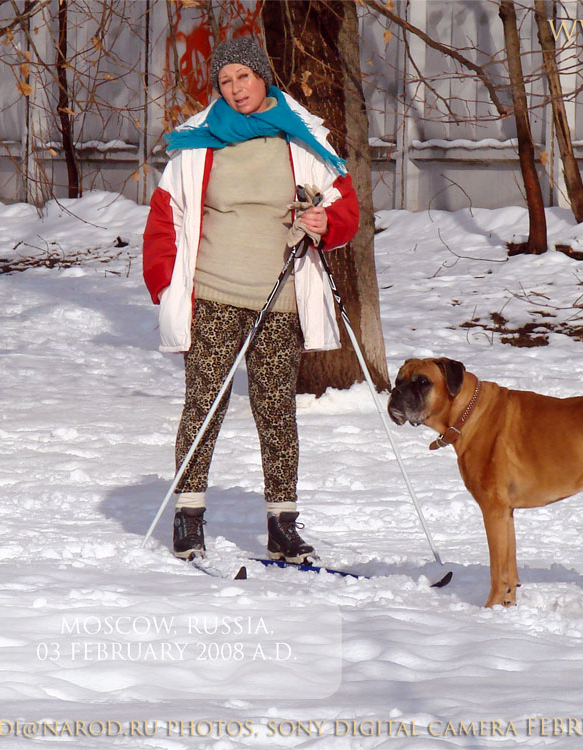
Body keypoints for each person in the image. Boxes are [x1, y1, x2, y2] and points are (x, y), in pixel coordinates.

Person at [142, 36, 358, 563]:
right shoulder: (198, 143)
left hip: (280, 295)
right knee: (204, 405)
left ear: (263, 77)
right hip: (215, 292)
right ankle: (188, 520)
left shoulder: (304, 139)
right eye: (225, 82)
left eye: (244, 77)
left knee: (276, 410)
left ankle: (282, 526)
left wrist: (323, 222)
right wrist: (165, 286)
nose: (236, 89)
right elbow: (163, 219)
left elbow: (344, 208)